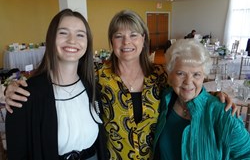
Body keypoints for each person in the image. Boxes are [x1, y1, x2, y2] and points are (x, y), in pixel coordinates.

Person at [5, 10, 235, 160]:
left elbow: (186, 88)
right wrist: (15, 86)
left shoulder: (160, 76)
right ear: (111, 42)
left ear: (143, 39)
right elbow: (59, 78)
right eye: (118, 36)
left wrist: (214, 95)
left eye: (134, 35)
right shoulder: (95, 76)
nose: (127, 42)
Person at [5, 9, 106, 160]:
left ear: (88, 42)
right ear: (51, 38)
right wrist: (8, 88)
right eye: (63, 33)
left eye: (80, 34)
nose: (72, 40)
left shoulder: (92, 86)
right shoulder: (25, 95)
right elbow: (17, 152)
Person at [153, 39, 250, 160]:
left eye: (196, 74)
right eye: (180, 73)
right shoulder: (163, 99)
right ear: (170, 74)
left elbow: (247, 154)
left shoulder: (223, 112)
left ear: (204, 76)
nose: (188, 82)